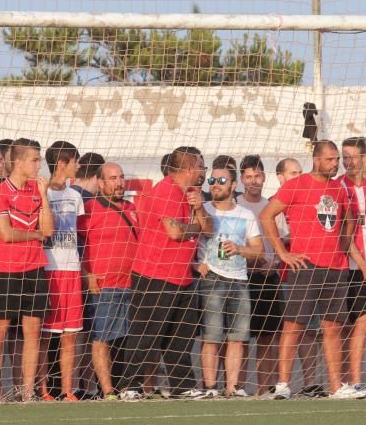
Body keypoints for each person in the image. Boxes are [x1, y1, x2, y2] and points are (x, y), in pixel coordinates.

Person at [259, 141, 364, 400]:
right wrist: (283, 253)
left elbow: (350, 217)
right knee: (293, 326)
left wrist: (343, 244)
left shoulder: (338, 189)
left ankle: (336, 386)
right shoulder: (296, 185)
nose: (335, 164)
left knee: (332, 328)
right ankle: (282, 385)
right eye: (330, 159)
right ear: (317, 160)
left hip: (335, 267)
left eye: (337, 159)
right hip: (305, 266)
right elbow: (266, 216)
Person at [116, 146, 212, 400]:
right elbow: (175, 232)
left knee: (181, 335)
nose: (204, 171)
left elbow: (209, 229)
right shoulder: (166, 190)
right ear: (190, 167)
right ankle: (129, 386)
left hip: (182, 276)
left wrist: (200, 210)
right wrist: (196, 227)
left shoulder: (192, 193)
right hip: (155, 275)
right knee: (145, 333)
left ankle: (182, 385)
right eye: (202, 166)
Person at [0, 138, 54, 401]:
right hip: (7, 271)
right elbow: (6, 233)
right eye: (35, 160)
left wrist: (45, 198)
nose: (39, 164)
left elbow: (49, 230)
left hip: (35, 269)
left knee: (33, 333)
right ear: (19, 162)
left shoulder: (37, 191)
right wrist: (36, 234)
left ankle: (28, 392)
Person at [196, 157, 263, 397]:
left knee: (237, 338)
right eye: (213, 179)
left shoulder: (246, 214)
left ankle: (232, 387)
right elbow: (187, 244)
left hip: (239, 279)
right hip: (212, 278)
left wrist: (239, 249)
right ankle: (211, 387)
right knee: (212, 336)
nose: (215, 184)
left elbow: (259, 251)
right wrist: (197, 264)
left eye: (222, 180)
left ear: (233, 185)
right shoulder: (204, 210)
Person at [78, 162, 138, 400]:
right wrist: (87, 274)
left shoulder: (133, 208)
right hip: (103, 286)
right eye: (112, 178)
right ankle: (107, 390)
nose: (119, 182)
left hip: (131, 285)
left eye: (121, 177)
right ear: (100, 183)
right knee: (102, 338)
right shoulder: (89, 209)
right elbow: (78, 246)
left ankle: (128, 387)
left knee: (127, 340)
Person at [39, 141, 85, 401]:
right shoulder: (42, 193)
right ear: (61, 164)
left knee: (70, 335)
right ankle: (43, 389)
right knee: (46, 335)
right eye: (74, 161)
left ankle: (68, 389)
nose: (77, 166)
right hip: (48, 269)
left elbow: (78, 235)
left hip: (72, 270)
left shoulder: (76, 196)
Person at [236, 155, 282, 397]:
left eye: (258, 176)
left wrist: (273, 262)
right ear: (241, 179)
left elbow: (281, 241)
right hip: (243, 279)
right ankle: (238, 387)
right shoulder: (235, 206)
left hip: (269, 278)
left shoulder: (272, 207)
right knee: (240, 338)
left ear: (265, 177)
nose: (254, 181)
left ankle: (265, 390)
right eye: (249, 176)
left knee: (267, 338)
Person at [339, 137, 366, 390]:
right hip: (350, 267)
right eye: (346, 156)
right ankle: (353, 381)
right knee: (359, 322)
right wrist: (364, 266)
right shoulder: (339, 188)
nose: (348, 161)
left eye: (354, 156)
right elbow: (344, 236)